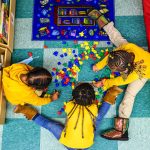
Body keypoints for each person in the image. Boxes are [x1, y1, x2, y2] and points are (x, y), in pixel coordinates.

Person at [88, 9, 150, 140]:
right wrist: (99, 65)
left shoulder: (133, 74)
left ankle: (121, 130)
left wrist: (104, 83)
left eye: (116, 71)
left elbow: (119, 81)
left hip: (144, 73)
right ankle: (103, 21)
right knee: (117, 39)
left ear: (125, 71)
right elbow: (111, 56)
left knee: (130, 95)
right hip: (140, 56)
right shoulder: (127, 48)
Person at [14, 83, 123, 150]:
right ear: (93, 100)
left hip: (82, 143)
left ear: (73, 98)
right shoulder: (93, 108)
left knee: (51, 125)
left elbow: (74, 103)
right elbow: (94, 106)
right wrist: (94, 102)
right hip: (81, 144)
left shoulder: (70, 105)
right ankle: (111, 95)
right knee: (99, 117)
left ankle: (28, 112)